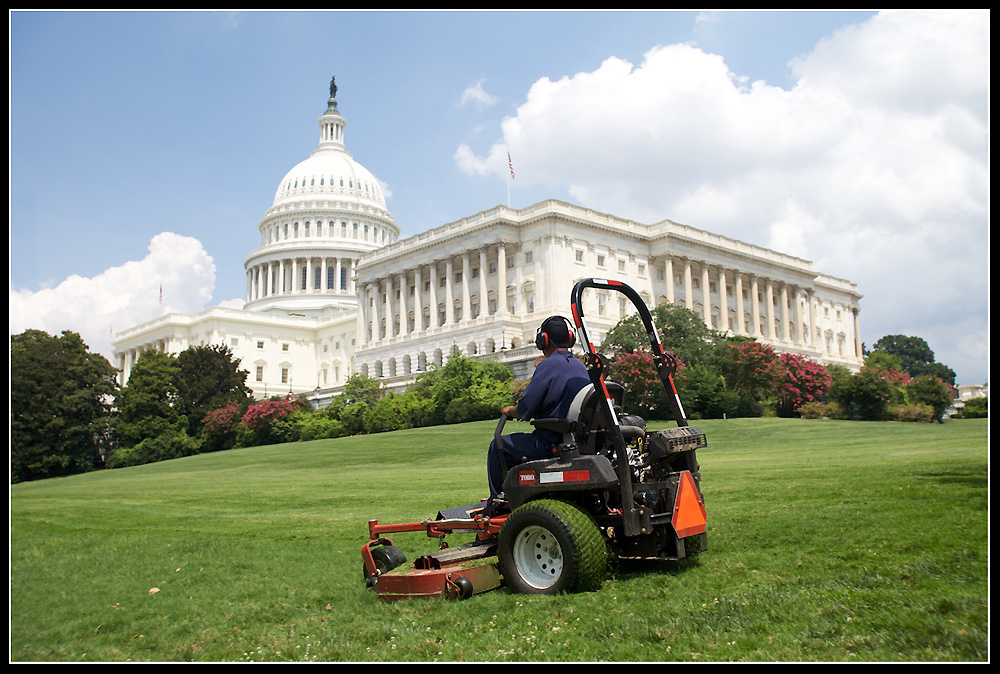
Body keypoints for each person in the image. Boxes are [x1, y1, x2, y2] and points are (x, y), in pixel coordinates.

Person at [486, 315, 591, 503]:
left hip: (550, 443)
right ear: (570, 338)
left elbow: (526, 408)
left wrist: (511, 411)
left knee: (498, 446)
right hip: (578, 441)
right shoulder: (580, 367)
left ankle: (499, 500)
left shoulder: (547, 366)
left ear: (543, 340)